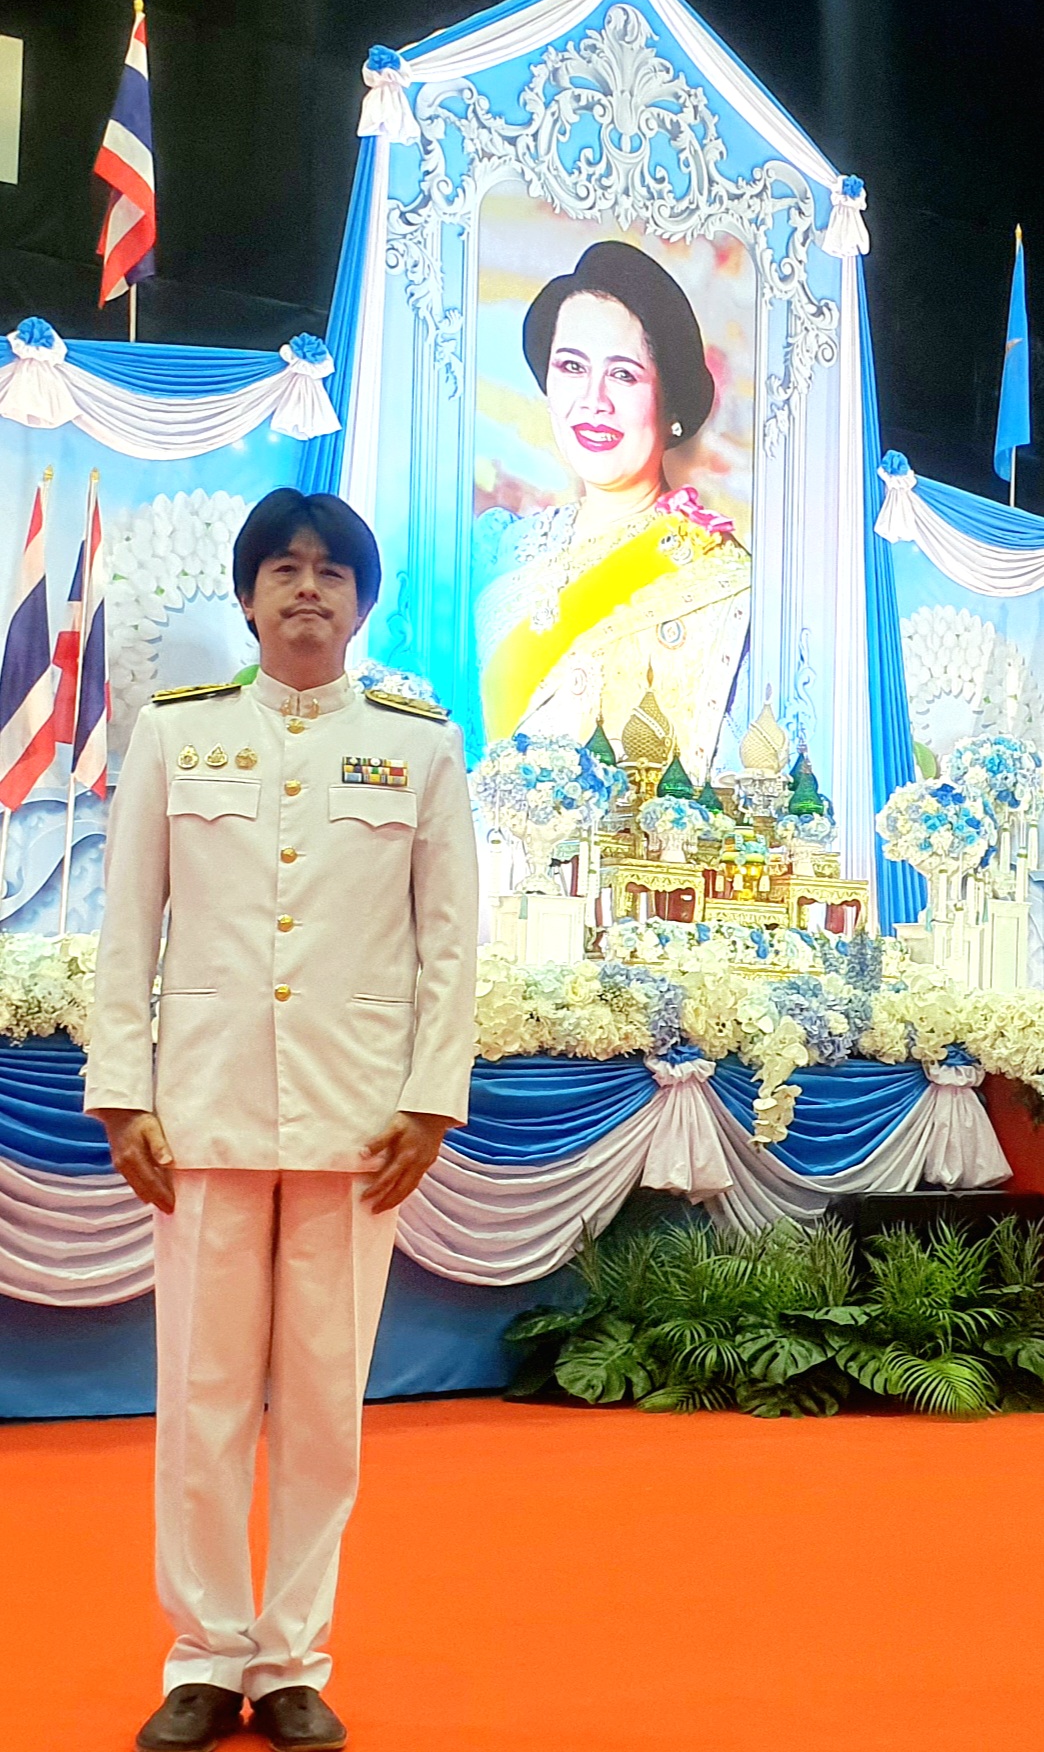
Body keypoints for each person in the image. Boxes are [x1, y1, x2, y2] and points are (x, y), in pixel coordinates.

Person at [84, 488, 479, 1752]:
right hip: (201, 1110)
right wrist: (123, 1091)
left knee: (322, 1407)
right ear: (249, 597)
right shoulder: (177, 734)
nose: (308, 588)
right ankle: (205, 1655)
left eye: (331, 571)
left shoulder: (421, 747)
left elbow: (450, 942)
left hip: (357, 1120)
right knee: (198, 1399)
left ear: (361, 604)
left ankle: (294, 1655)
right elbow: (127, 923)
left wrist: (430, 1098)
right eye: (285, 569)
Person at [474, 239, 751, 776]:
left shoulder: (722, 580)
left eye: (623, 374)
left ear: (670, 402)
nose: (593, 401)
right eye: (571, 366)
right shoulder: (500, 548)